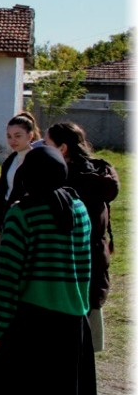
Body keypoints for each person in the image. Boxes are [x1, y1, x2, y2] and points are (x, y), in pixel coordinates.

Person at [0, 146, 95, 395]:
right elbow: (85, 267)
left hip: (29, 325)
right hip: (73, 322)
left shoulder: (21, 213)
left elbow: (7, 276)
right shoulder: (79, 209)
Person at [46, 122, 119, 352]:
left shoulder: (65, 180)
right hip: (96, 256)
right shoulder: (99, 172)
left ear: (63, 148)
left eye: (48, 145)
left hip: (69, 261)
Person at [0, 112, 42, 232]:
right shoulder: (11, 160)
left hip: (27, 219)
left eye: (18, 136)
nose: (12, 141)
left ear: (30, 136)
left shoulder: (38, 159)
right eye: (9, 136)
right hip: (7, 216)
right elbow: (2, 189)